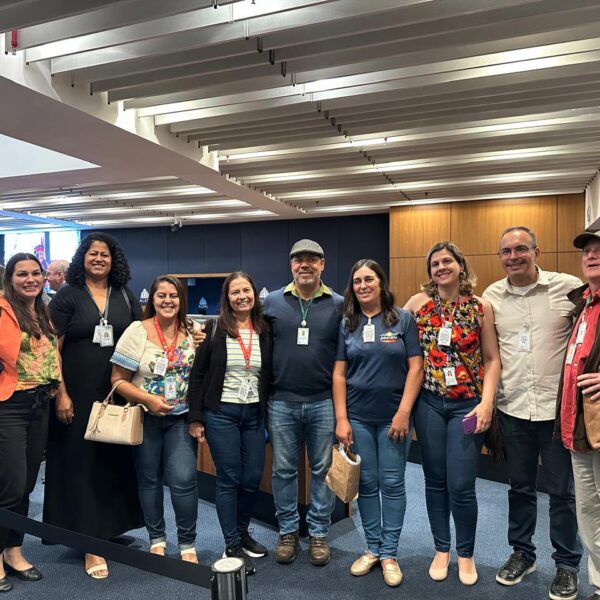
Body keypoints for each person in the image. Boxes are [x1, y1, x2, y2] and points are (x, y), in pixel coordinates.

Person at [483, 226, 582, 600]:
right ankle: (522, 554)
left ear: (536, 252)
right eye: (506, 251)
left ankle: (567, 564)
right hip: (513, 409)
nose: (513, 257)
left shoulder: (568, 288)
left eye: (521, 249)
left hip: (556, 412)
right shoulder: (492, 296)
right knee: (520, 488)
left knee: (562, 493)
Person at [43, 232, 144, 580]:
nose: (99, 258)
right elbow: (51, 348)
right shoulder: (68, 296)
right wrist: (61, 393)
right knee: (81, 465)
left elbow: (142, 337)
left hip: (117, 393)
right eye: (92, 253)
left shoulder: (125, 294)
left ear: (114, 260)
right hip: (77, 396)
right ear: (82, 258)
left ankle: (108, 529)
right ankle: (89, 543)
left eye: (105, 254)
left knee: (112, 463)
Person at [404, 241, 501, 586]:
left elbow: (492, 359)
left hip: (467, 406)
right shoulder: (417, 304)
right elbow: (396, 341)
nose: (441, 267)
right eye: (435, 264)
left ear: (461, 265)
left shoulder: (480, 307)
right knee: (434, 481)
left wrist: (487, 403)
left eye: (447, 261)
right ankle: (441, 549)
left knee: (461, 485)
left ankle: (466, 553)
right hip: (429, 404)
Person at [333, 259, 423, 586]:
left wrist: (403, 412)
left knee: (393, 483)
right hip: (357, 418)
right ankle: (372, 548)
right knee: (368, 484)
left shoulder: (402, 319)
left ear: (381, 283)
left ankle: (389, 553)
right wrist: (341, 419)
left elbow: (417, 367)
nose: (363, 285)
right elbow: (339, 374)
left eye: (369, 279)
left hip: (394, 419)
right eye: (357, 281)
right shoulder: (347, 323)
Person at [263, 239, 343, 566]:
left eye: (312, 259)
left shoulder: (338, 304)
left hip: (323, 401)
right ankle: (288, 531)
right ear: (291, 265)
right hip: (281, 401)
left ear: (322, 264)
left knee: (323, 471)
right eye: (298, 260)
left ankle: (319, 532)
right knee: (283, 471)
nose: (305, 265)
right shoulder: (271, 302)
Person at [110, 275, 199, 562]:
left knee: (184, 481)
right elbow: (117, 380)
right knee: (149, 480)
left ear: (181, 300)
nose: (168, 301)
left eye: (173, 295)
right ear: (152, 299)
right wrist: (147, 399)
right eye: (162, 295)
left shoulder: (192, 330)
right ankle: (157, 539)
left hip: (181, 419)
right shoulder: (137, 330)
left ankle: (187, 544)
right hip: (145, 417)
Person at [188, 272, 272, 576]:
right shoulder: (215, 329)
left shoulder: (264, 330)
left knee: (251, 478)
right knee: (229, 478)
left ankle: (243, 532)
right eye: (235, 292)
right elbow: (198, 375)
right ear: (227, 298)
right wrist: (195, 417)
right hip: (221, 414)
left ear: (254, 294)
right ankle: (232, 543)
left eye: (246, 290)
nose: (241, 297)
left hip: (253, 415)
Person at [0, 253, 61, 593]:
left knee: (26, 484)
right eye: (21, 274)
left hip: (40, 404)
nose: (30, 279)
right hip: (9, 405)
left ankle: (14, 550)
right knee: (9, 484)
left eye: (35, 273)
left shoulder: (42, 311)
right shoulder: (2, 310)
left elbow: (52, 355)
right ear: (10, 279)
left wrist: (60, 390)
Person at [556, 230, 600, 600]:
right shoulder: (583, 303)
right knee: (589, 513)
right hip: (579, 428)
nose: (592, 256)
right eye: (587, 251)